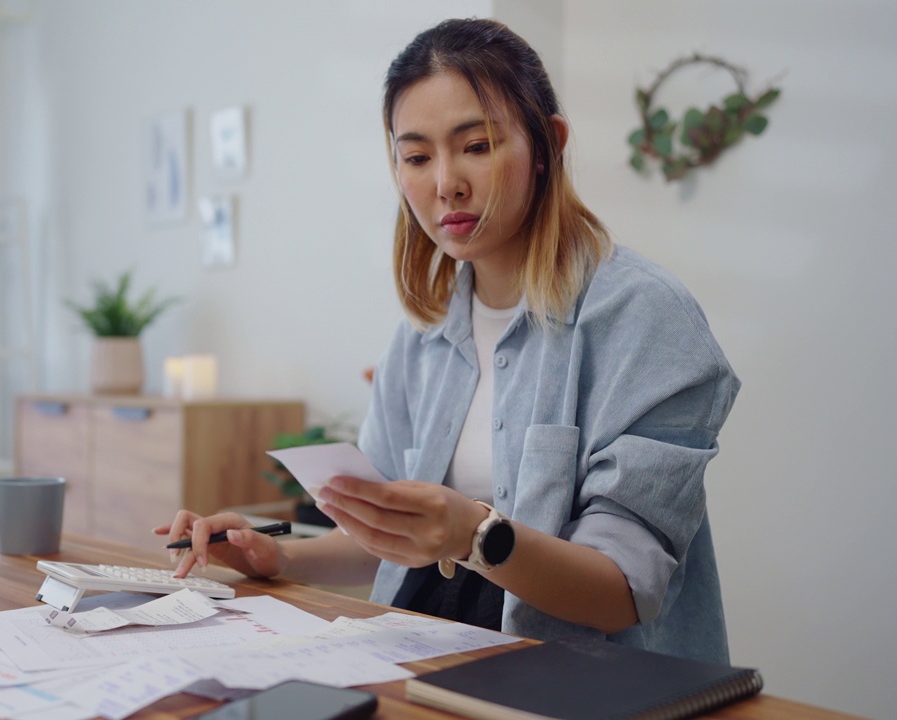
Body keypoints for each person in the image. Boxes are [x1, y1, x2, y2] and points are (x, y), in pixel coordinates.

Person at [154, 17, 739, 664]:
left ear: (548, 144)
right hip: (431, 657)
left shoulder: (646, 319)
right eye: (417, 156)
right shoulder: (425, 332)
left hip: (589, 684)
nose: (445, 183)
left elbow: (623, 591)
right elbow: (394, 537)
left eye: (478, 146)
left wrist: (476, 534)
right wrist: (278, 554)